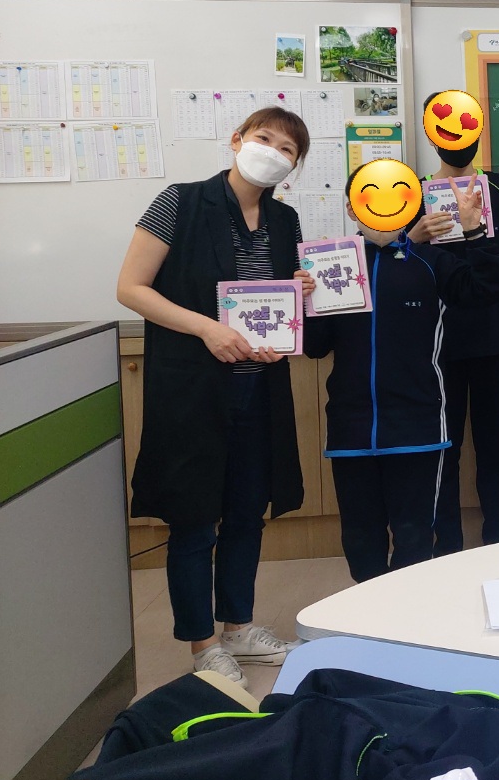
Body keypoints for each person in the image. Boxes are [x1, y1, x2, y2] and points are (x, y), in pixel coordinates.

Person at [117, 107, 315, 689]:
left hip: (259, 386)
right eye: (264, 138)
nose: (272, 152)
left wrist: (297, 292)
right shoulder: (179, 202)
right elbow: (131, 288)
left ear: (294, 167)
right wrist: (208, 328)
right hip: (193, 387)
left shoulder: (284, 220)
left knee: (248, 513)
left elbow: (274, 303)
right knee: (195, 516)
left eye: (287, 149)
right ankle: (203, 644)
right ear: (237, 140)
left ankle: (237, 629)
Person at [303, 164, 499, 582]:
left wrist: (474, 231)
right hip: (351, 429)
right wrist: (305, 301)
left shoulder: (430, 261)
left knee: (415, 539)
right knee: (360, 540)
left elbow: (488, 290)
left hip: (419, 428)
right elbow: (315, 346)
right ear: (352, 207)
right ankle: (368, 614)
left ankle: (405, 615)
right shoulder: (331, 266)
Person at [407, 110, 499, 551]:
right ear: (433, 137)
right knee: (444, 446)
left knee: (494, 444)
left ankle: (498, 532)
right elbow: (393, 264)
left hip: (494, 332)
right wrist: (413, 236)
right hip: (435, 340)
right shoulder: (413, 192)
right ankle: (447, 542)